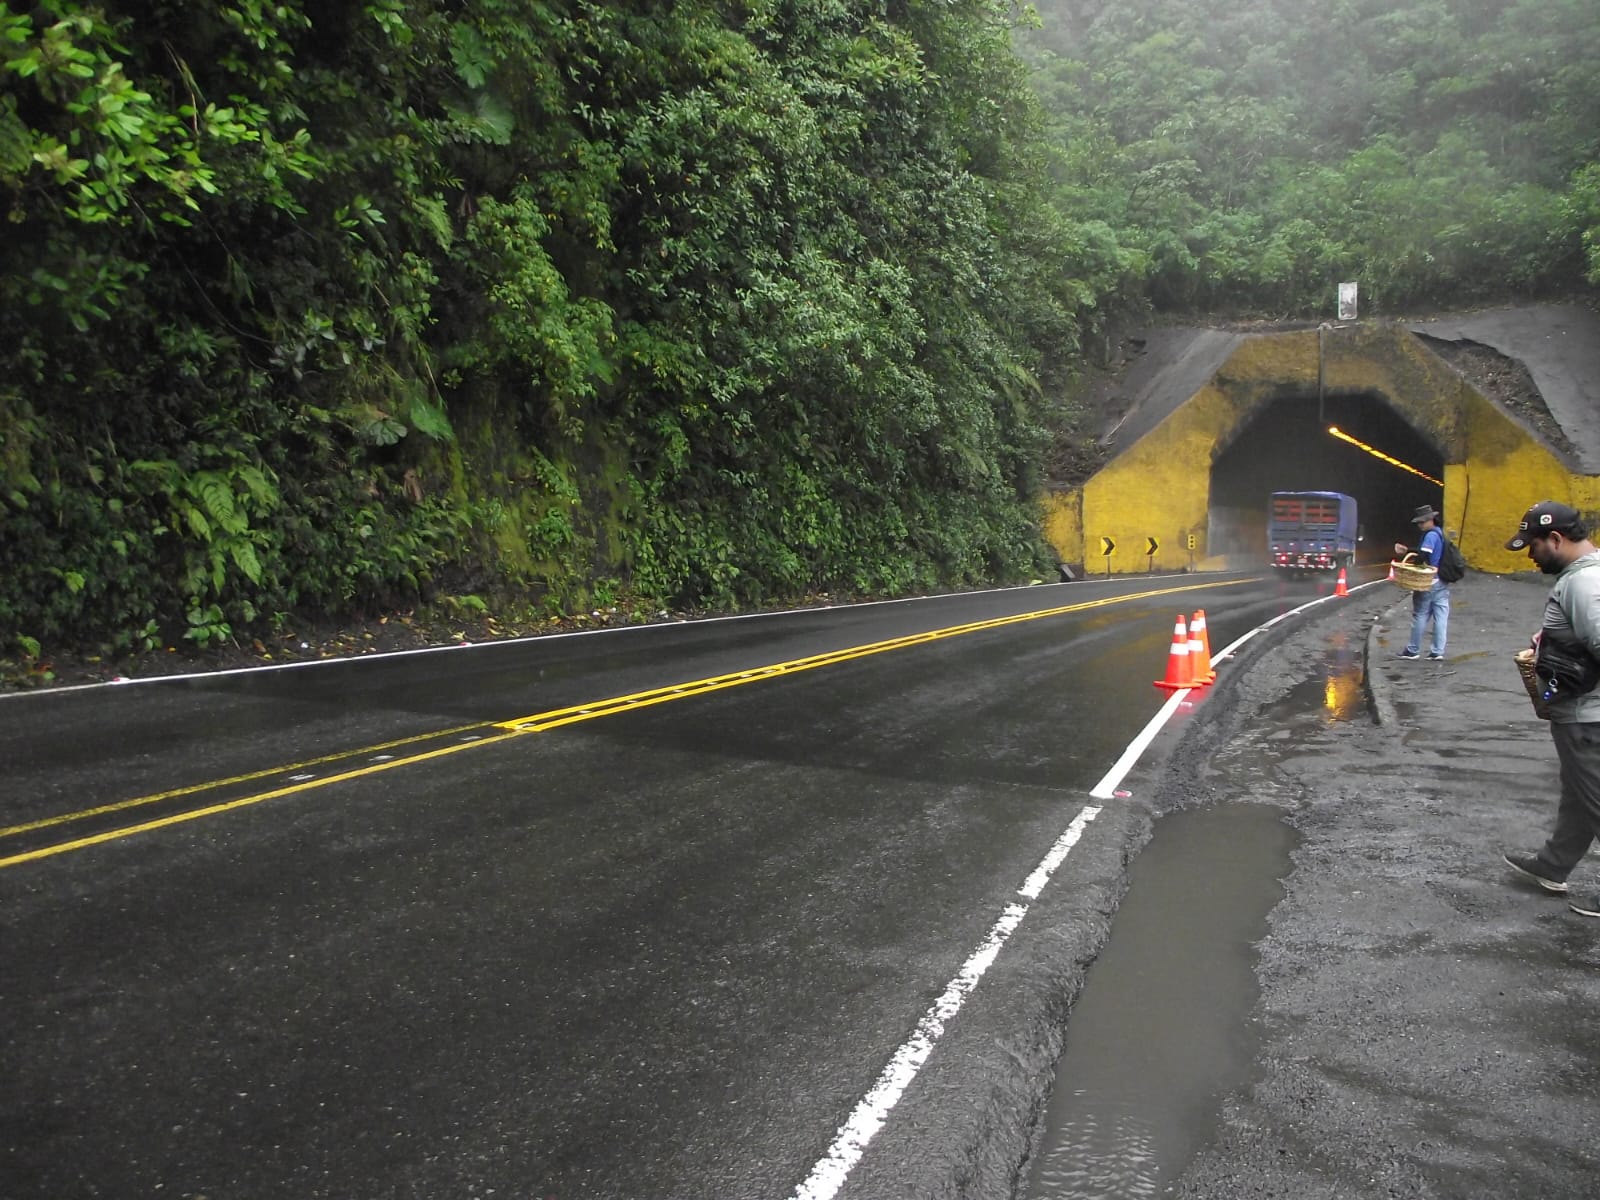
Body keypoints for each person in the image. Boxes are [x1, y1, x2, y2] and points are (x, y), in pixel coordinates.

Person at [1499, 500, 1600, 918]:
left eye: (1533, 545)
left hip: (1587, 719)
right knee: (1580, 796)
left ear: (1555, 539)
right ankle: (1553, 865)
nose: (1530, 554)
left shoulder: (1582, 584)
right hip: (1582, 717)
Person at [1393, 503, 1449, 659]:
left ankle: (1413, 650)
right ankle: (1438, 652)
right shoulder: (1440, 533)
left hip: (1428, 581)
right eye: (1418, 522)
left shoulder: (1430, 535)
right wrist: (1409, 550)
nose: (1420, 525)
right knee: (1441, 616)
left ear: (1431, 520)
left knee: (1420, 615)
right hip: (1441, 581)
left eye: (1422, 522)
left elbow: (1422, 556)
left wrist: (1413, 561)